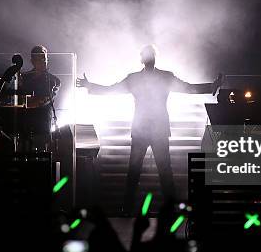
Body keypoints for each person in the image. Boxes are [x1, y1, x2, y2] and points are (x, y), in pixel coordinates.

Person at [77, 45, 224, 214]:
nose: (148, 57)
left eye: (149, 54)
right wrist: (91, 86)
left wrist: (91, 86)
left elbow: (188, 88)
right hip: (148, 129)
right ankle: (144, 208)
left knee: (153, 170)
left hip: (150, 129)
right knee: (151, 170)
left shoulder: (146, 78)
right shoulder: (159, 77)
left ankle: (132, 208)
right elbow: (188, 88)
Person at [19, 45, 61, 150]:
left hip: (42, 124)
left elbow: (46, 99)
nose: (43, 60)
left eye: (44, 57)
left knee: (41, 155)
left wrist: (31, 102)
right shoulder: (23, 77)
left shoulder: (54, 80)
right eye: (39, 57)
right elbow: (19, 98)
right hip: (24, 123)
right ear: (32, 60)